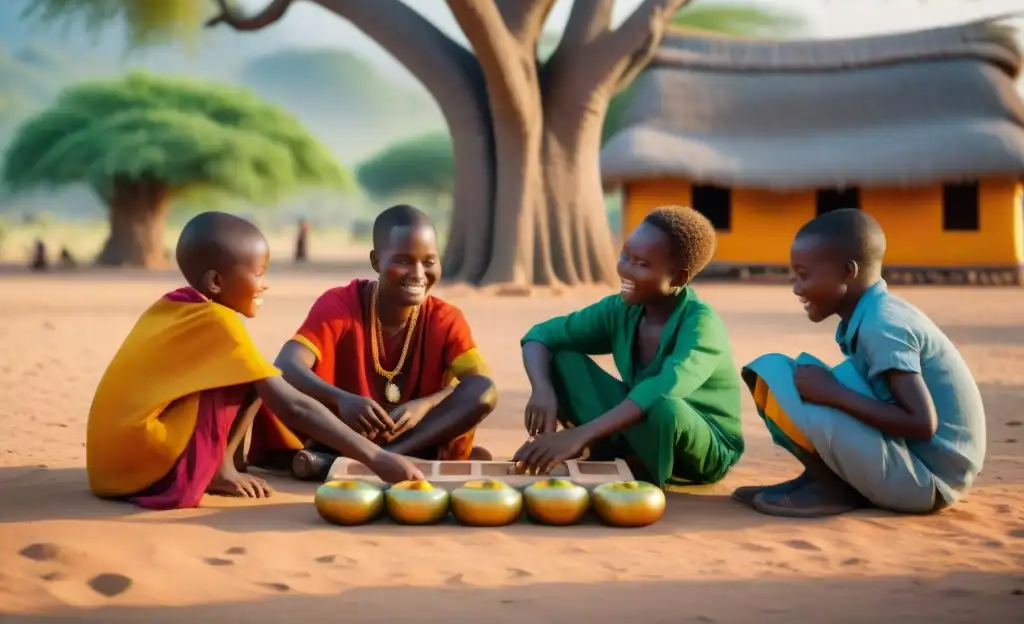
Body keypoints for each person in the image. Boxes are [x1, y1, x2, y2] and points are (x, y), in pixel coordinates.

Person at [85, 211, 424, 510]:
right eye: (259, 273)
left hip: (111, 467)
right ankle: (219, 471)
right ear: (216, 282)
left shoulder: (174, 306)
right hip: (143, 470)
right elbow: (293, 405)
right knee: (257, 377)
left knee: (252, 372)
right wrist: (376, 458)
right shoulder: (219, 322)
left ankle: (220, 467)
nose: (265, 285)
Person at [735, 209, 986, 518]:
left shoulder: (882, 325)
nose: (796, 288)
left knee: (775, 372)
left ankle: (835, 489)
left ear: (847, 272)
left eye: (804, 275)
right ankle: (823, 479)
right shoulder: (873, 314)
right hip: (913, 465)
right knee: (793, 376)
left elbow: (921, 423)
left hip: (928, 481)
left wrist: (833, 393)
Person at [249, 204, 497, 480]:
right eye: (403, 261)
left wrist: (427, 404)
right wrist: (342, 399)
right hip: (343, 432)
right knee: (273, 383)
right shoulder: (341, 303)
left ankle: (369, 462)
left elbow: (479, 384)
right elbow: (287, 365)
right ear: (376, 261)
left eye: (428, 262)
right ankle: (376, 459)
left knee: (483, 389)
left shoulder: (445, 318)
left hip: (412, 435)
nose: (418, 273)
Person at [512, 206, 744, 488]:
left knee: (664, 407)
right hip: (639, 425)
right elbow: (541, 335)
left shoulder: (701, 326)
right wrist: (542, 390)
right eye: (625, 256)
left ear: (679, 279)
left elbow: (662, 389)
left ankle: (637, 468)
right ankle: (615, 455)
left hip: (702, 448)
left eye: (642, 265)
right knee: (559, 358)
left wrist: (580, 434)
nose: (625, 269)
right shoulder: (621, 309)